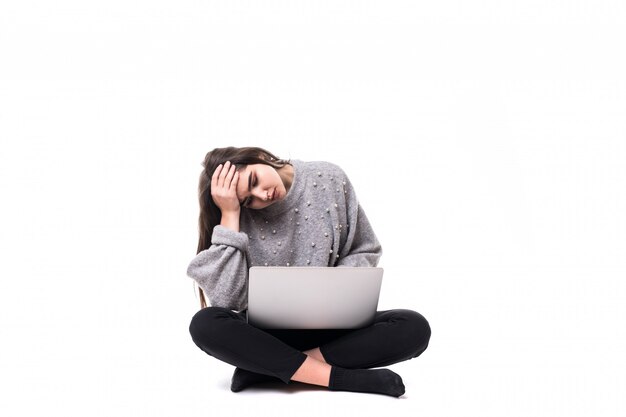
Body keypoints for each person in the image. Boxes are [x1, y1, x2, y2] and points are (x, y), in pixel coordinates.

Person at [187, 146, 431, 397]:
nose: (262, 195)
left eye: (254, 181)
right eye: (249, 199)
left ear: (259, 158)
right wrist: (230, 214)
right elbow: (226, 301)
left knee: (414, 326)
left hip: (333, 325)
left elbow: (365, 248)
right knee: (205, 324)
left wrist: (333, 287)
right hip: (269, 334)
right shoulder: (238, 215)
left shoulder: (328, 177)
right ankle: (341, 378)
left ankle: (269, 369)